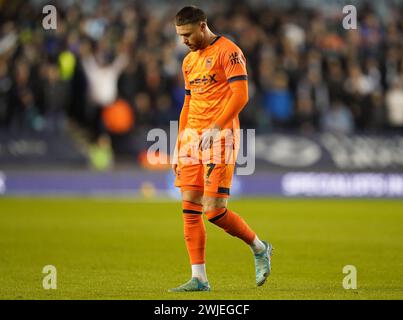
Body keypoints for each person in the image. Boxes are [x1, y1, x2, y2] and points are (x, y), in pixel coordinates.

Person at [170, 6, 272, 292]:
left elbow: (241, 95)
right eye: (180, 36)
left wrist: (215, 127)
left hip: (221, 137)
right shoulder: (188, 62)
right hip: (192, 139)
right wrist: (179, 145)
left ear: (202, 26)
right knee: (190, 208)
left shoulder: (229, 51)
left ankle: (260, 247)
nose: (184, 41)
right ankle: (199, 278)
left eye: (188, 34)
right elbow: (187, 104)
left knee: (214, 212)